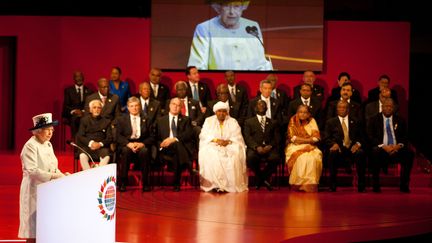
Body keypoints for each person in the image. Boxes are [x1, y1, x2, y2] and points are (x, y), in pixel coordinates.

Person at [19, 113, 69, 242]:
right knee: (32, 229)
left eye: (51, 130)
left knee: (44, 227)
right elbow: (33, 171)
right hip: (33, 190)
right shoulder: (30, 145)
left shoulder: (48, 144)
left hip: (47, 190)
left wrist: (62, 175)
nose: (50, 133)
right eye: (47, 130)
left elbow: (53, 166)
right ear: (38, 131)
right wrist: (54, 176)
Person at [187, 0, 272, 70]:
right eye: (227, 6)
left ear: (243, 7)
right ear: (218, 8)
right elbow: (197, 66)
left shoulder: (252, 26)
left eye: (236, 6)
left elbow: (260, 63)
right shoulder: (204, 28)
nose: (231, 12)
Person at [199, 101, 248, 192]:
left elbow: (237, 136)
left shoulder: (233, 121)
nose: (221, 113)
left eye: (224, 111)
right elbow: (204, 135)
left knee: (234, 155)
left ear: (227, 112)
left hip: (229, 144)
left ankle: (229, 185)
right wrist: (216, 140)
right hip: (213, 144)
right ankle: (215, 185)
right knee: (212, 154)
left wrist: (228, 141)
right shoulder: (208, 121)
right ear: (215, 112)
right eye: (219, 111)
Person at [366, 98, 413, 193]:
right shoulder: (374, 119)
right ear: (382, 107)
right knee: (374, 152)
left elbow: (405, 136)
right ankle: (376, 185)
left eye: (390, 106)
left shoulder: (400, 120)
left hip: (396, 148)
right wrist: (383, 146)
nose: (388, 108)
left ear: (394, 108)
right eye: (386, 106)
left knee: (409, 154)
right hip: (381, 148)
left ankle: (404, 185)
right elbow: (371, 136)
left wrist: (398, 146)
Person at [153, 98, 195, 192]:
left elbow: (188, 134)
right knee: (177, 147)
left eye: (178, 105)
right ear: (169, 105)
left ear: (181, 108)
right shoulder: (160, 120)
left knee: (176, 148)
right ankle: (187, 164)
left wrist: (173, 139)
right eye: (173, 104)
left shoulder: (186, 119)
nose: (175, 107)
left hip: (179, 149)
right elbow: (155, 137)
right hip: (165, 148)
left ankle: (176, 184)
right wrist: (162, 144)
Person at [323, 100, 366, 192]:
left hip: (352, 149)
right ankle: (332, 184)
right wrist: (333, 144)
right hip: (338, 149)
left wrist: (358, 144)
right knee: (332, 153)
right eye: (339, 107)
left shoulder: (355, 121)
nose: (342, 109)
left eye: (344, 107)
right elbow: (326, 137)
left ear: (348, 109)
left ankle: (361, 184)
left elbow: (362, 136)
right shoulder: (330, 122)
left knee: (360, 153)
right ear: (336, 109)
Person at [117, 97, 154, 192]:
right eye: (132, 106)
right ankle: (123, 182)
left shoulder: (147, 119)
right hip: (127, 144)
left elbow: (152, 136)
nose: (134, 108)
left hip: (141, 143)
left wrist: (142, 144)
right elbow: (117, 136)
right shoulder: (121, 119)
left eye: (136, 106)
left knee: (145, 152)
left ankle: (145, 183)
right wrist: (128, 144)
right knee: (125, 151)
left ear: (140, 107)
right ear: (128, 108)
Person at [285, 105, 322, 192]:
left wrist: (303, 140)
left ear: (309, 114)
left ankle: (309, 184)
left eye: (305, 112)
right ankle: (298, 184)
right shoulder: (293, 121)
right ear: (297, 113)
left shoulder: (312, 121)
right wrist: (308, 140)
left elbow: (316, 138)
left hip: (311, 146)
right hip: (294, 147)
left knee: (314, 158)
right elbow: (292, 138)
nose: (302, 114)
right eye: (300, 112)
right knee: (302, 158)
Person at [243, 100, 279, 191]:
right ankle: (264, 180)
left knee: (275, 158)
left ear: (267, 108)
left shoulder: (273, 122)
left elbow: (277, 137)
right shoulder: (249, 122)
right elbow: (247, 137)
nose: (261, 106)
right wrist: (256, 147)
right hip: (255, 148)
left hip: (269, 148)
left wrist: (270, 146)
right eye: (259, 105)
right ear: (255, 108)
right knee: (250, 158)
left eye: (263, 105)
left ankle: (260, 180)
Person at [76, 99, 113, 170]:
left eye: (99, 108)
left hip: (101, 148)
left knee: (107, 155)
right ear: (90, 110)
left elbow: (109, 138)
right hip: (87, 147)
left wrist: (100, 144)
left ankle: (97, 172)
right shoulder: (84, 120)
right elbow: (80, 136)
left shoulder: (107, 121)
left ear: (101, 110)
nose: (97, 109)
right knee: (82, 156)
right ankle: (88, 175)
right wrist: (91, 143)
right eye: (94, 107)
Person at [62, 71, 93, 138]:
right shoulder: (68, 91)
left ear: (83, 78)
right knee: (75, 119)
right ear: (74, 78)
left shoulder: (89, 91)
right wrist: (74, 111)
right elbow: (66, 106)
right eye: (77, 77)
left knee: (87, 119)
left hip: (85, 114)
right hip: (73, 115)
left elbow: (91, 105)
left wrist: (83, 111)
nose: (79, 78)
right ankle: (75, 141)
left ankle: (86, 142)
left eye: (80, 76)